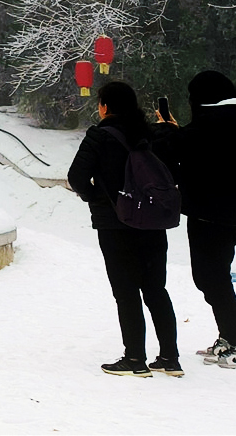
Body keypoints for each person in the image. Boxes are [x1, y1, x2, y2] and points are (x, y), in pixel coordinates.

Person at [68, 81, 182, 378]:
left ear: (104, 106)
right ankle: (169, 358)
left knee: (126, 291)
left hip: (115, 224)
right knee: (156, 289)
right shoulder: (151, 135)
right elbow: (173, 170)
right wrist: (170, 129)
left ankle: (134, 359)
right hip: (152, 222)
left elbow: (76, 177)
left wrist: (99, 199)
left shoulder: (99, 136)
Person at [157, 70, 236, 369]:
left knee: (212, 278)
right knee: (211, 277)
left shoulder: (217, 124)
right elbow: (197, 148)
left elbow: (185, 149)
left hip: (215, 214)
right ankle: (228, 338)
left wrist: (167, 131)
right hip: (227, 212)